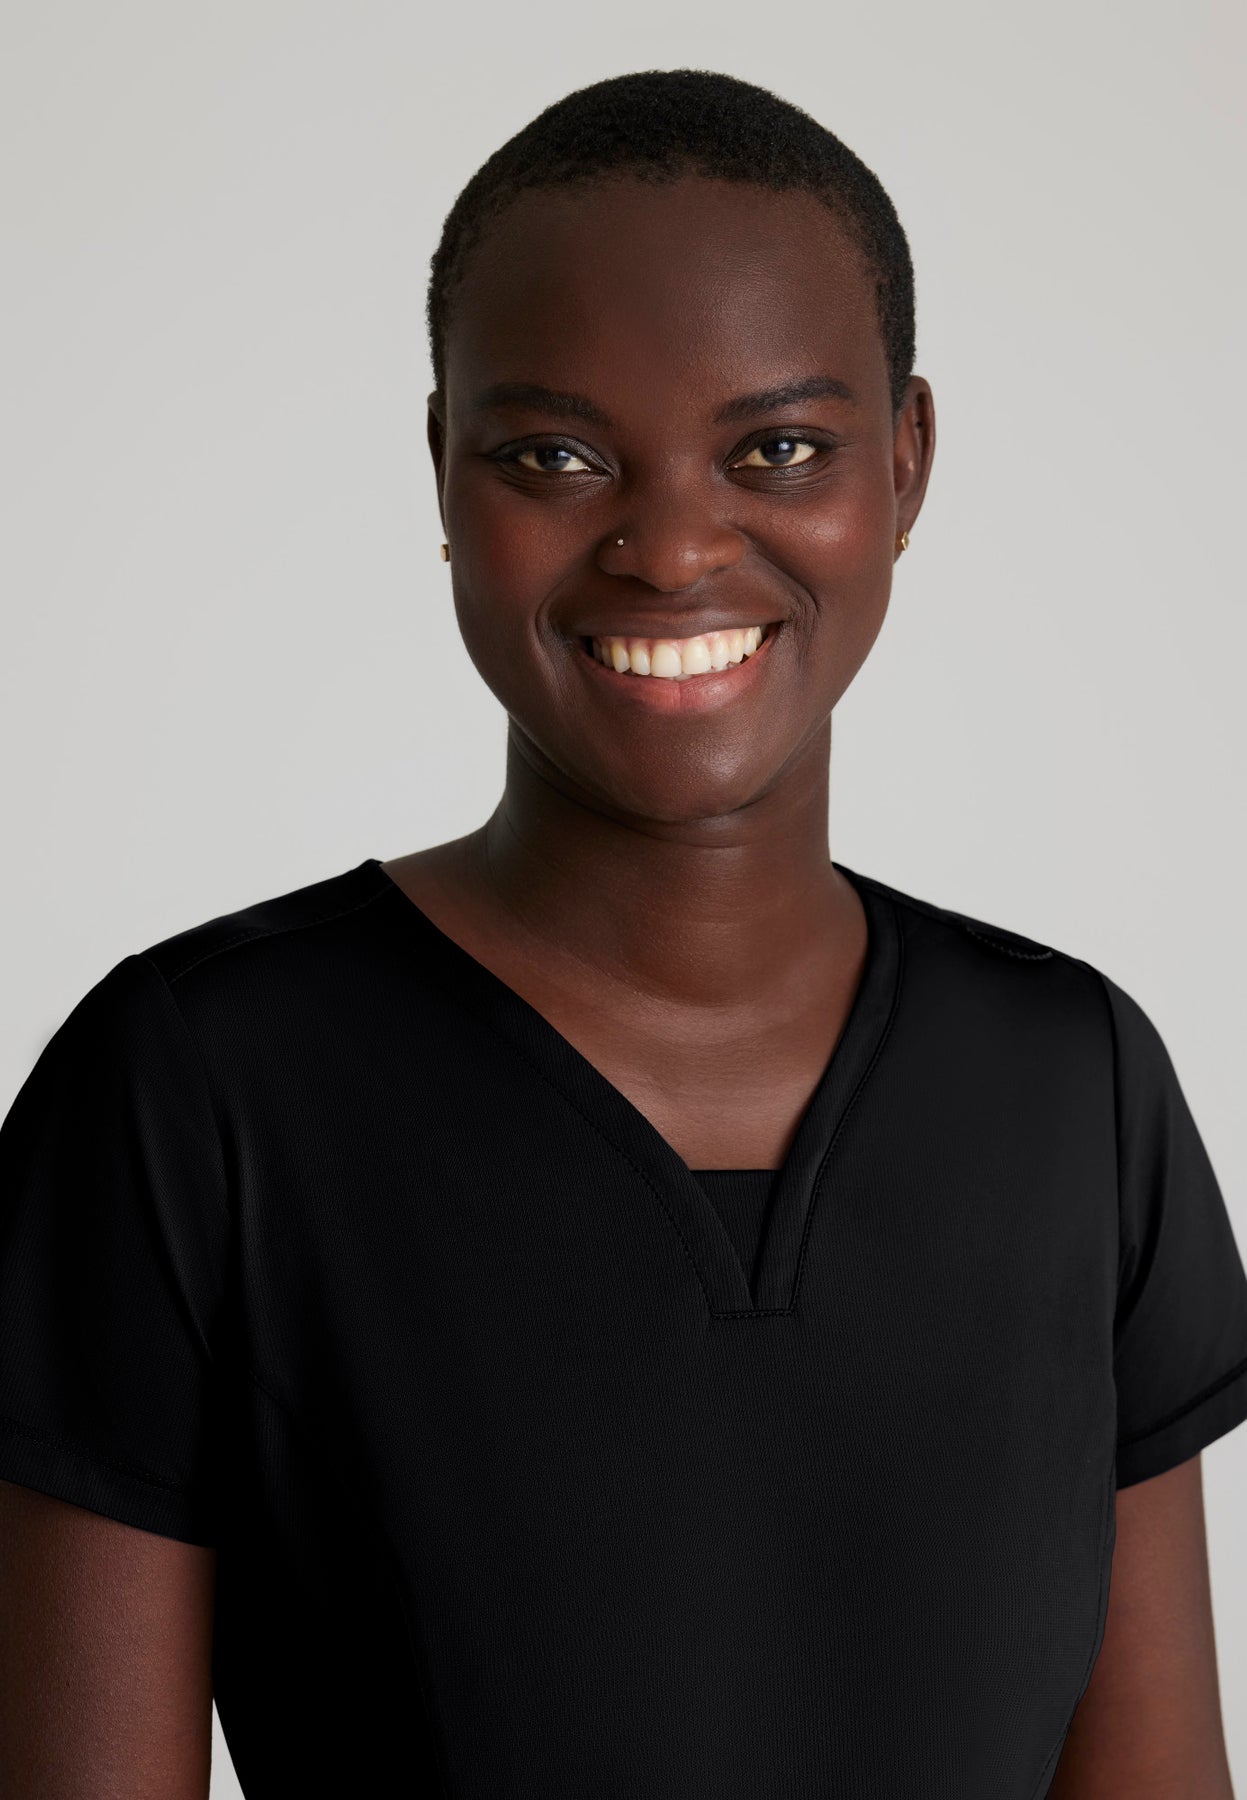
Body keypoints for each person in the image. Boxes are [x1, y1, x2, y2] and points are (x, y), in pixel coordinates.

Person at [1, 67, 1245, 1800]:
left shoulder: (1075, 1089)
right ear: (445, 472)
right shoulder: (197, 1091)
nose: (669, 548)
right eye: (556, 457)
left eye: (778, 449)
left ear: (906, 463)